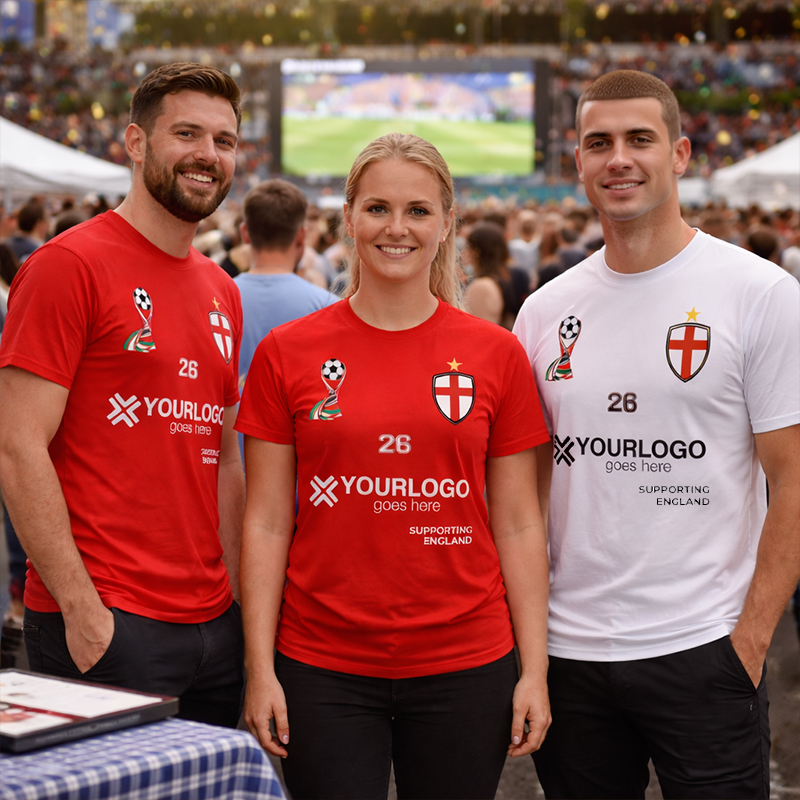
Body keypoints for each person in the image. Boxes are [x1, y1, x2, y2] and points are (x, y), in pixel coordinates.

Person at [236, 132, 552, 800]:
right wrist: (258, 665)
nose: (396, 228)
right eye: (377, 208)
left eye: (417, 211)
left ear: (445, 225)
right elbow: (265, 522)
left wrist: (535, 669)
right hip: (320, 664)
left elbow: (520, 524)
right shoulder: (287, 352)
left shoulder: (494, 354)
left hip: (466, 662)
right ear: (348, 218)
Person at [514, 69, 800, 799]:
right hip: (571, 653)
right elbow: (527, 489)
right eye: (598, 142)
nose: (619, 158)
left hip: (704, 647)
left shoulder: (759, 293)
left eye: (640, 139)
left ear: (679, 153)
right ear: (576, 161)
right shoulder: (545, 312)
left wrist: (751, 640)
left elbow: (793, 478)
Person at [0, 62, 247, 727]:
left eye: (224, 141)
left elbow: (223, 457)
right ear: (136, 145)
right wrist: (82, 609)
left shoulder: (223, 290)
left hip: (213, 627)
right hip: (109, 624)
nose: (208, 155)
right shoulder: (66, 266)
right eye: (188, 134)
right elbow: (17, 447)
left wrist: (237, 608)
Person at [234, 179, 339, 452]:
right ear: (302, 237)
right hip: (300, 478)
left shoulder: (216, 298)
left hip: (220, 471)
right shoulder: (329, 306)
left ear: (245, 234)